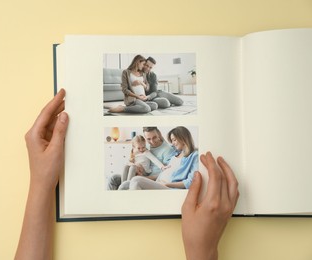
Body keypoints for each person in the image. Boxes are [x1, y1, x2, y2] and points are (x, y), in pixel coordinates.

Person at [15, 89, 239, 260]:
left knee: (135, 178)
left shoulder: (181, 155)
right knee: (123, 177)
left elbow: (177, 177)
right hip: (156, 180)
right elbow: (159, 170)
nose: (171, 144)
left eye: (174, 141)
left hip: (164, 185)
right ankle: (122, 189)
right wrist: (203, 253)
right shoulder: (172, 156)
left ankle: (125, 188)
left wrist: (41, 184)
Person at [129, 126, 198, 190]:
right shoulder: (176, 153)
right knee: (126, 184)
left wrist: (167, 184)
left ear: (183, 138)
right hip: (158, 182)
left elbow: (190, 182)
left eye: (174, 140)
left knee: (136, 180)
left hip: (167, 186)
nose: (173, 143)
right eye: (172, 140)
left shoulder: (194, 156)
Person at [107, 126, 174, 190]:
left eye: (154, 137)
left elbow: (166, 174)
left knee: (124, 186)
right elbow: (134, 155)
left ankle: (125, 189)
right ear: (145, 138)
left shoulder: (168, 150)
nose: (152, 142)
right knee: (113, 178)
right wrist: (133, 162)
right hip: (136, 173)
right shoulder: (144, 145)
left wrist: (143, 177)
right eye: (148, 139)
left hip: (150, 179)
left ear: (159, 134)